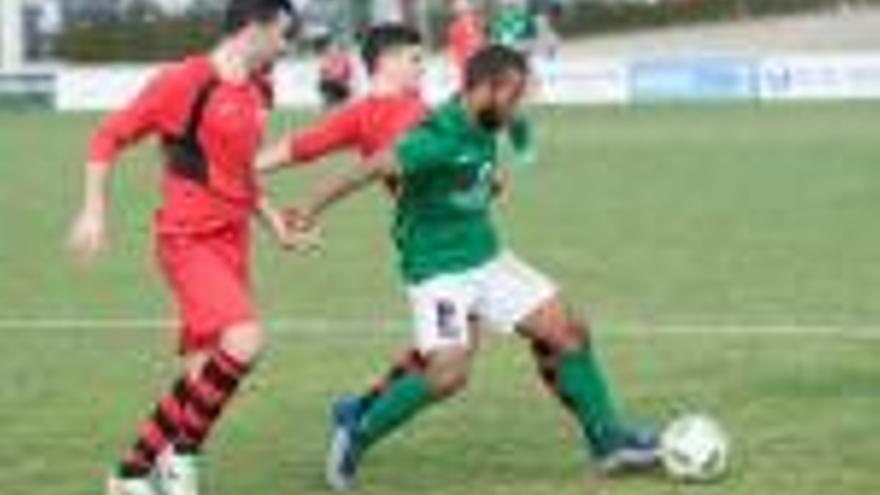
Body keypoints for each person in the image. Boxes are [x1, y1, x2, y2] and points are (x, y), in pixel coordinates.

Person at [286, 45, 659, 492]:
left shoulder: (487, 116)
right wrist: (311, 207)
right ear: (484, 89)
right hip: (439, 270)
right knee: (448, 373)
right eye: (514, 95)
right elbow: (374, 166)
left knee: (569, 330)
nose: (519, 106)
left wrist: (490, 176)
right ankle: (356, 431)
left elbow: (490, 150)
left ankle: (610, 442)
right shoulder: (436, 136)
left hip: (486, 257)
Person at [66, 1, 299, 494]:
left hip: (233, 242)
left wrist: (273, 220)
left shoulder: (261, 88)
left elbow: (239, 172)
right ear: (253, 29)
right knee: (245, 340)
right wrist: (94, 209)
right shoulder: (184, 81)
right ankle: (182, 458)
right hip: (187, 241)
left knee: (201, 377)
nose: (286, 44)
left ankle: (129, 476)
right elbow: (108, 137)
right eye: (282, 33)